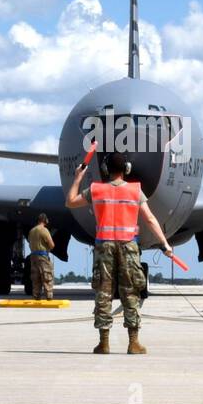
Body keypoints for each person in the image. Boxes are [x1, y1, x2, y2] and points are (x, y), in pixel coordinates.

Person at [65, 151, 174, 354]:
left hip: (104, 246)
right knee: (130, 292)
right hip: (128, 246)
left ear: (105, 169)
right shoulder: (135, 191)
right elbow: (150, 219)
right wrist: (165, 244)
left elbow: (70, 201)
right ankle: (133, 343)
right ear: (127, 169)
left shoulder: (95, 190)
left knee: (104, 293)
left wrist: (78, 177)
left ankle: (103, 343)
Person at [27, 213, 55, 300]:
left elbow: (29, 242)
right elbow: (52, 245)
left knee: (36, 278)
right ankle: (49, 297)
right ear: (44, 220)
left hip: (33, 256)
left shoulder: (32, 231)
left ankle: (36, 296)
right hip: (42, 256)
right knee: (47, 276)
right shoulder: (44, 230)